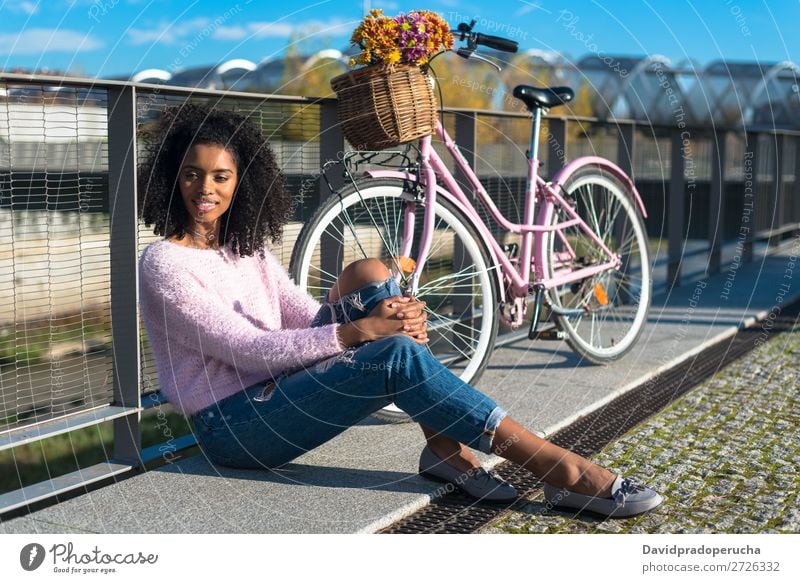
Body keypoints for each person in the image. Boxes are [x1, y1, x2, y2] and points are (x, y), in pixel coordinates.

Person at [137, 104, 663, 518]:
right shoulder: (164, 264)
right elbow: (248, 352)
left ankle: (443, 449)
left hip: (280, 392)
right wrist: (360, 332)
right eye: (191, 174)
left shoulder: (243, 249)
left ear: (240, 183)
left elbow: (302, 316)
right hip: (235, 426)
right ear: (171, 177)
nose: (205, 188)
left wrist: (386, 312)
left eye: (221, 177)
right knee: (391, 355)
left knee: (370, 276)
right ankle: (558, 468)